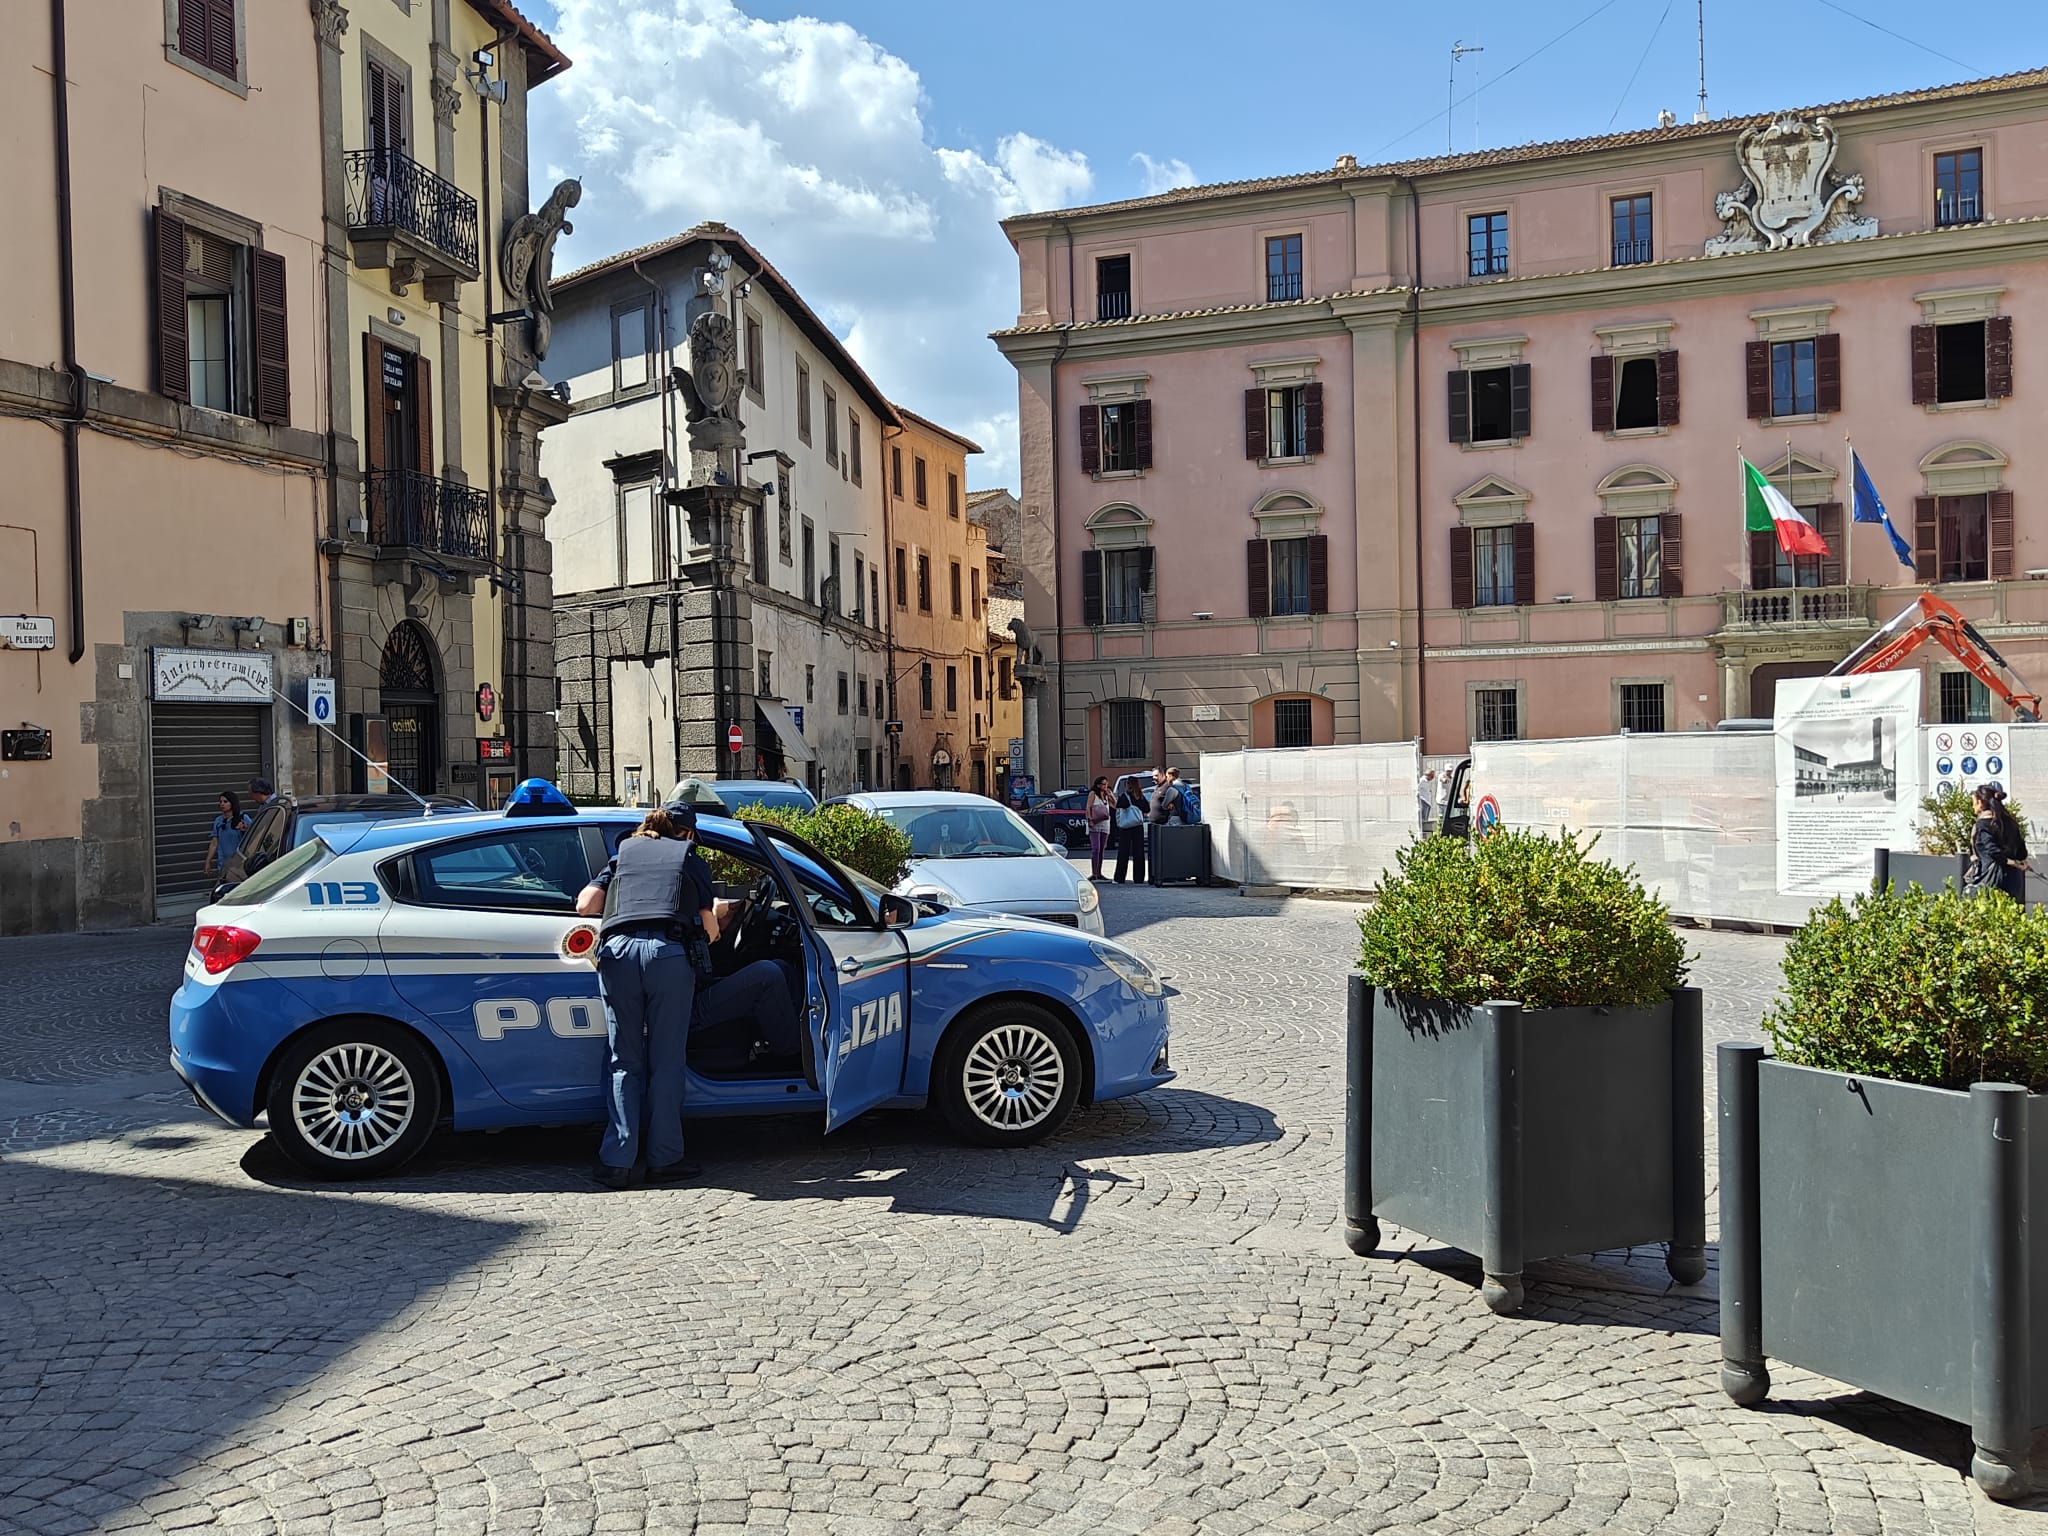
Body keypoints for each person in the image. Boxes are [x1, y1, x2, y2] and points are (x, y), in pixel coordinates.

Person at [573, 800, 736, 1188]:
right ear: (688, 833)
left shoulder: (623, 852)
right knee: (666, 1059)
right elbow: (710, 929)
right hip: (667, 957)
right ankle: (665, 1159)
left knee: (622, 1059)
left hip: (617, 954)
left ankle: (618, 1161)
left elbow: (585, 905)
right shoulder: (689, 856)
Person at [1971, 783, 2031, 903]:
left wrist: (2010, 862)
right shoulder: (2011, 823)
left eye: (1974, 802)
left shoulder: (1983, 824)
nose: (1973, 806)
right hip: (2014, 881)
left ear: (1980, 803)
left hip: (1992, 880)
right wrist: (2016, 863)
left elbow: (1992, 851)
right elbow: (2022, 853)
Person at [202, 790, 250, 878]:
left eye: (225, 801)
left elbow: (254, 836)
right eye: (220, 802)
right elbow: (214, 843)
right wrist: (207, 862)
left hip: (240, 865)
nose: (222, 804)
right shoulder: (218, 821)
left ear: (232, 803)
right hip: (224, 864)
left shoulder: (243, 818)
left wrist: (245, 829)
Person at [1113, 776, 1147, 884]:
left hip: (1126, 827)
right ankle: (1139, 878)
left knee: (1123, 852)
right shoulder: (1140, 796)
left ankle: (1120, 877)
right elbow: (1147, 808)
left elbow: (1119, 805)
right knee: (1139, 852)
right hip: (1138, 825)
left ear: (1128, 784)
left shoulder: (1126, 796)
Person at [1085, 776, 1114, 881]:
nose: (1105, 786)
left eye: (1106, 783)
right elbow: (1088, 807)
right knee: (1095, 848)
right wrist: (1089, 819)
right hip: (1095, 823)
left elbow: (1115, 805)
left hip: (1105, 824)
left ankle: (1099, 872)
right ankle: (1094, 873)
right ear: (1098, 785)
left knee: (1102, 849)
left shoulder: (1106, 795)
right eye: (1103, 784)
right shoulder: (1093, 794)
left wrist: (1111, 795)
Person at [1416, 769, 1436, 838]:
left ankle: (1424, 833)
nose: (1433, 778)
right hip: (1423, 801)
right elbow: (1416, 789)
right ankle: (1422, 834)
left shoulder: (1427, 781)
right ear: (1428, 775)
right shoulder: (1422, 780)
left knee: (1426, 819)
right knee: (1423, 820)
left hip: (1427, 802)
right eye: (1432, 776)